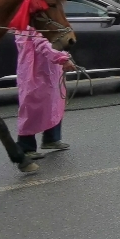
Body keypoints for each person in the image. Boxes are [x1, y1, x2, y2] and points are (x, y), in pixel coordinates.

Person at [16, 26, 75, 161]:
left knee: (54, 103)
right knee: (31, 108)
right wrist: (62, 58)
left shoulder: (29, 23)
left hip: (47, 69)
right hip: (37, 71)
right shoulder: (34, 24)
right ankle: (26, 146)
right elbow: (43, 43)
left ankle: (52, 138)